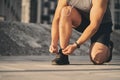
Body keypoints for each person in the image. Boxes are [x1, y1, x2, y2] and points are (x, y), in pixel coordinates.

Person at [49, 0, 113, 65]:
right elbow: (56, 19)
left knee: (97, 59)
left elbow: (94, 26)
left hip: (101, 26)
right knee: (66, 11)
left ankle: (108, 47)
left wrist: (76, 45)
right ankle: (63, 53)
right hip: (82, 21)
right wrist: (54, 42)